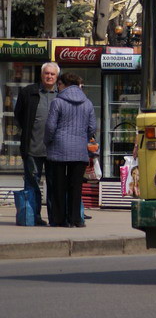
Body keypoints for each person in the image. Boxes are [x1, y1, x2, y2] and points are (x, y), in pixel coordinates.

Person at [44, 72, 97, 227]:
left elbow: (50, 126)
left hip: (59, 149)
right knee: (76, 186)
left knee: (59, 186)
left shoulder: (57, 102)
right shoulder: (87, 102)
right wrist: (83, 138)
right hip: (79, 150)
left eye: (58, 84)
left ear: (63, 84)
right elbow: (92, 127)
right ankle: (75, 219)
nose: (57, 87)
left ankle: (59, 220)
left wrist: (48, 141)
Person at [13, 62, 60, 225]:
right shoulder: (29, 92)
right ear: (41, 75)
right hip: (33, 148)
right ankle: (34, 217)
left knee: (55, 185)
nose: (49, 76)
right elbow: (18, 115)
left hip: (55, 151)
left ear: (57, 77)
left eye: (52, 74)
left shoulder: (61, 94)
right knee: (32, 184)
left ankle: (55, 218)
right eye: (46, 73)